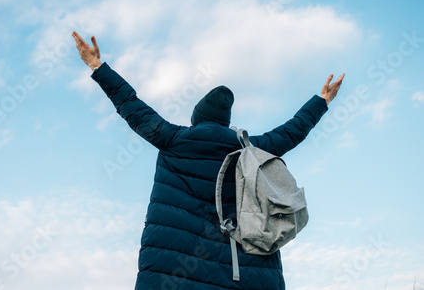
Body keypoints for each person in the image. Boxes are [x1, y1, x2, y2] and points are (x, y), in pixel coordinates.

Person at [72, 31, 344, 290]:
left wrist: (97, 66)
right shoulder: (251, 150)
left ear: (196, 118)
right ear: (226, 123)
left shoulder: (173, 138)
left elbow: (131, 105)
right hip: (246, 272)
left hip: (174, 271)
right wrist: (321, 100)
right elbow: (292, 131)